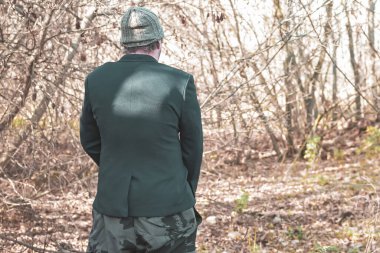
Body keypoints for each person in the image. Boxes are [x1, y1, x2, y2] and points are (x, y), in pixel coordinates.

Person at [80, 6, 203, 253]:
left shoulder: (96, 80)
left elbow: (89, 140)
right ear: (158, 43)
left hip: (112, 212)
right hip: (168, 207)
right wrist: (184, 187)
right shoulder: (179, 82)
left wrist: (116, 167)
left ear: (125, 44)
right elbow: (193, 146)